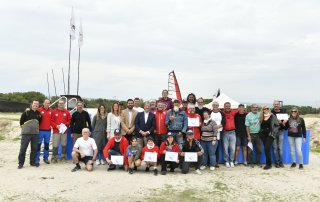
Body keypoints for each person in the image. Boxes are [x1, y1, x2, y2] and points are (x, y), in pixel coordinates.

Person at [18, 100, 42, 169]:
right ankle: (21, 163)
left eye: (37, 104)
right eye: (34, 104)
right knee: (23, 149)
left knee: (34, 149)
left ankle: (32, 162)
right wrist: (25, 128)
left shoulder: (39, 114)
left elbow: (39, 123)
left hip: (35, 134)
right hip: (26, 134)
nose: (36, 105)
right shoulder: (26, 112)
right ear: (32, 104)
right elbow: (21, 121)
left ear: (38, 105)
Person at [36, 99, 52, 165]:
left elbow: (53, 120)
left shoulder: (51, 111)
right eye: (46, 103)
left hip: (48, 131)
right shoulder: (39, 110)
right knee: (38, 145)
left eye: (48, 103)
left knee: (46, 145)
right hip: (40, 131)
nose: (47, 104)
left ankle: (46, 158)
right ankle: (37, 160)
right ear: (43, 103)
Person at [222, 102, 238, 168]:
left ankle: (231, 161)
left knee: (232, 148)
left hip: (232, 132)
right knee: (225, 148)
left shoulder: (233, 112)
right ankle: (226, 161)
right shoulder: (222, 113)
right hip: (225, 133)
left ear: (230, 106)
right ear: (224, 107)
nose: (227, 107)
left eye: (228, 106)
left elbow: (242, 111)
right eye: (226, 106)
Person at [271, 100, 287, 168]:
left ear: (279, 105)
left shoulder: (283, 111)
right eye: (275, 104)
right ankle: (277, 163)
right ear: (273, 105)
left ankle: (281, 162)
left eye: (277, 104)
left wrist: (285, 121)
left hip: (281, 131)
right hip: (273, 132)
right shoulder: (271, 112)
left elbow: (286, 120)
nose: (276, 105)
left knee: (280, 148)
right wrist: (278, 121)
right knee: (275, 148)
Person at [210, 101, 226, 168]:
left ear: (218, 106)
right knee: (210, 148)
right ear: (212, 106)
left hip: (219, 133)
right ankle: (210, 162)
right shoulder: (210, 112)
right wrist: (213, 127)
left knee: (217, 148)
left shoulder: (221, 113)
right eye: (214, 105)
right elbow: (207, 120)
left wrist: (220, 126)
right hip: (210, 133)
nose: (215, 106)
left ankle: (216, 162)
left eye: (217, 105)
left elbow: (224, 122)